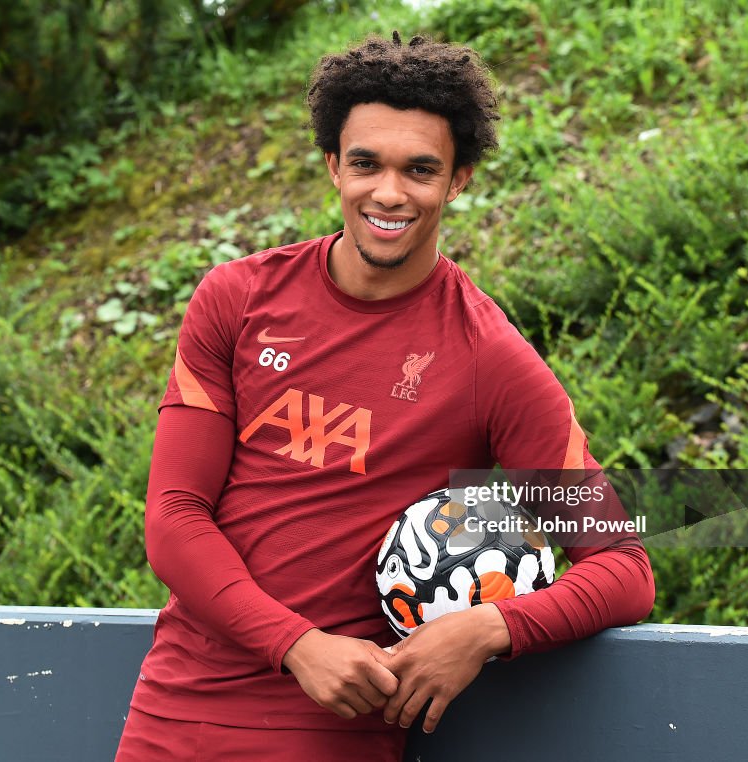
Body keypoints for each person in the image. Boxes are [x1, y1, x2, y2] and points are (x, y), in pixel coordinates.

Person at [116, 32, 654, 762]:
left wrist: (486, 630)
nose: (389, 193)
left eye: (420, 170)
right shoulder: (237, 301)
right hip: (174, 713)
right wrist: (296, 645)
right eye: (366, 163)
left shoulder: (487, 358)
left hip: (337, 736)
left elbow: (621, 566)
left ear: (458, 180)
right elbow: (175, 517)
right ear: (334, 165)